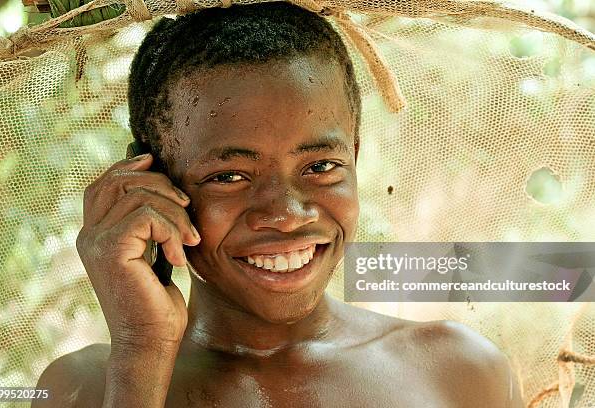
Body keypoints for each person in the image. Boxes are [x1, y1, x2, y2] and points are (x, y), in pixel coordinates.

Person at [34, 3, 523, 407]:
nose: (288, 213)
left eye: (320, 167)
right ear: (147, 185)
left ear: (354, 157)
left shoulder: (461, 372)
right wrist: (142, 351)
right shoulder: (88, 388)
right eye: (229, 176)